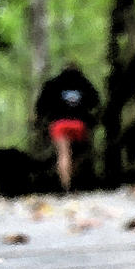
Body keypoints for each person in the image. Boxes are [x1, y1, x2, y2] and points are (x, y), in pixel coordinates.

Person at [34, 63, 100, 191]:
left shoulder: (53, 83)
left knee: (63, 154)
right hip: (79, 125)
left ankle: (66, 186)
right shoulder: (84, 83)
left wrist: (40, 120)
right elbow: (95, 102)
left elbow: (41, 105)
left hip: (59, 125)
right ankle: (75, 181)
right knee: (77, 155)